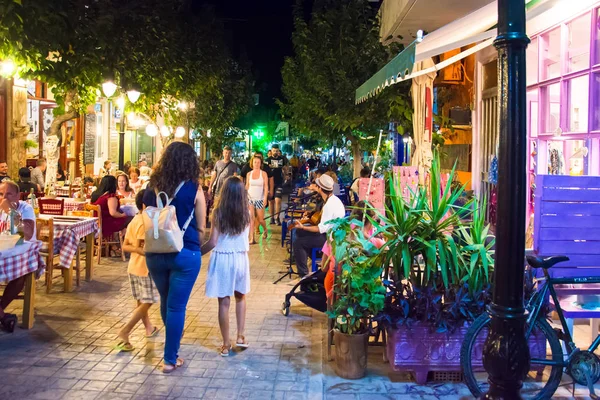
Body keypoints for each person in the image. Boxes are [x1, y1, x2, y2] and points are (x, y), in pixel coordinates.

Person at [142, 142, 206, 373]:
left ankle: (173, 344)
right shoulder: (195, 188)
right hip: (185, 252)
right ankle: (170, 358)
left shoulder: (152, 186)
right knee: (176, 307)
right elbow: (201, 228)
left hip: (155, 253)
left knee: (166, 300)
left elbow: (146, 218)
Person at [202, 177, 251, 356]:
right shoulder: (247, 212)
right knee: (240, 297)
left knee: (224, 302)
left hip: (222, 258)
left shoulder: (217, 212)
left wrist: (197, 252)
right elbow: (248, 238)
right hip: (240, 258)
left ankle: (225, 344)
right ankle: (241, 336)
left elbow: (213, 242)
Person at [116, 189, 158, 351]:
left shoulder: (134, 220)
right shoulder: (145, 222)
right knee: (148, 301)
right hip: (145, 268)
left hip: (133, 267)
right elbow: (143, 247)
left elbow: (126, 245)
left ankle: (149, 328)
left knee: (141, 300)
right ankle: (125, 331)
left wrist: (136, 248)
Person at [322, 201, 384, 300]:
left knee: (330, 275)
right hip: (365, 288)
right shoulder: (376, 243)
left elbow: (323, 267)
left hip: (336, 286)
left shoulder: (336, 235)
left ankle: (331, 312)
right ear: (372, 219)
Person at [289, 174, 345, 277]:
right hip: (333, 235)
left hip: (329, 238)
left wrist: (303, 226)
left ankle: (303, 274)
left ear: (320, 188)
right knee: (299, 233)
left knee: (298, 242)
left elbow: (320, 229)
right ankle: (311, 262)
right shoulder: (334, 200)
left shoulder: (329, 205)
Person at [0, 181, 36, 332]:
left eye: (8, 194)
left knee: (20, 276)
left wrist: (11, 212)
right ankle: (2, 315)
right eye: (1, 194)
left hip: (23, 253)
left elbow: (27, 234)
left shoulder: (25, 208)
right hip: (4, 251)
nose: (3, 198)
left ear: (18, 195)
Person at [91, 176, 132, 248]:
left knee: (126, 222)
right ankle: (119, 244)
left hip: (97, 223)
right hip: (106, 224)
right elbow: (113, 213)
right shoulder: (111, 197)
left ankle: (116, 244)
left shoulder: (98, 195)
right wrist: (122, 215)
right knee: (132, 219)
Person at [245, 155, 269, 244]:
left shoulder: (263, 174)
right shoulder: (249, 174)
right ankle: (252, 238)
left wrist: (265, 198)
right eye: (255, 162)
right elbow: (247, 185)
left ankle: (265, 229)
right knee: (251, 218)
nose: (256, 164)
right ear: (252, 163)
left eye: (258, 162)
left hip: (260, 198)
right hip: (250, 198)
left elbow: (266, 186)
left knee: (261, 219)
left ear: (261, 164)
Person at [266, 145, 288, 225]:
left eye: (277, 150)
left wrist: (286, 175)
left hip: (279, 182)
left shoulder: (281, 159)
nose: (275, 152)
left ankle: (277, 217)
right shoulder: (268, 160)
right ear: (271, 151)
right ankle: (272, 217)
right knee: (271, 202)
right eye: (274, 150)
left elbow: (285, 168)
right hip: (270, 183)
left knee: (278, 200)